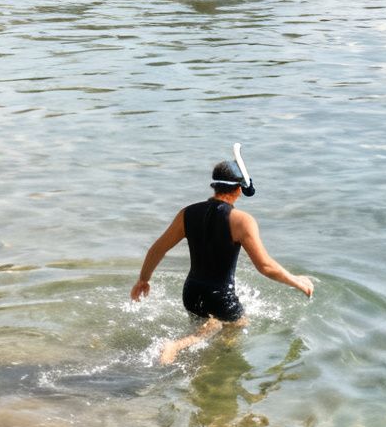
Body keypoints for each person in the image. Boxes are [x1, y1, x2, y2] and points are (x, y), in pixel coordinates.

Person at [132, 155, 312, 365]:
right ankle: (177, 346)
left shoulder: (187, 214)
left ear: (215, 186)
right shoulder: (242, 220)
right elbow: (264, 266)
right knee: (235, 332)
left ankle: (193, 363)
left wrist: (143, 280)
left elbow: (157, 249)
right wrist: (297, 281)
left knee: (210, 328)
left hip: (190, 293)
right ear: (239, 189)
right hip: (220, 297)